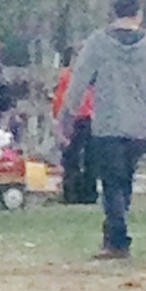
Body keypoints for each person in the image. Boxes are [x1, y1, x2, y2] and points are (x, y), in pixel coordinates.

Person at [65, 0, 146, 258]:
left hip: (108, 122)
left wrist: (68, 112)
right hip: (140, 125)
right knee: (125, 180)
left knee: (112, 183)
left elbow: (79, 79)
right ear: (139, 14)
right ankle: (115, 235)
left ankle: (117, 240)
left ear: (114, 14)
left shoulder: (98, 42)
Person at [51, 51, 97, 204]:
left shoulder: (68, 76)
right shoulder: (93, 76)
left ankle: (71, 194)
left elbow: (60, 99)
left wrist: (58, 120)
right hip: (90, 118)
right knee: (89, 158)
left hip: (75, 118)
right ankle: (89, 194)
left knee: (72, 158)